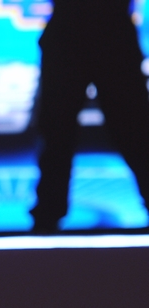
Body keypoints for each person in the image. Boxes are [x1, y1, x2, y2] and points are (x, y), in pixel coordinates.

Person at [30, 0, 149, 233]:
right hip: (82, 33)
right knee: (57, 132)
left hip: (102, 33)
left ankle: (48, 214)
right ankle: (47, 213)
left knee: (134, 130)